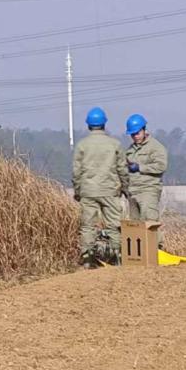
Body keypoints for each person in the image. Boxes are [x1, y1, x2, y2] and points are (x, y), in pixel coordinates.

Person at [72, 106, 129, 267]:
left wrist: (78, 191)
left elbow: (77, 172)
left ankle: (88, 259)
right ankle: (117, 257)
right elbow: (122, 169)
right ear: (104, 124)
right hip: (110, 190)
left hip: (88, 191)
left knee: (88, 226)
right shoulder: (115, 144)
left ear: (89, 125)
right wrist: (124, 187)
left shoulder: (82, 145)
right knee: (114, 226)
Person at [124, 113, 168, 248]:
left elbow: (161, 166)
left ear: (144, 130)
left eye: (137, 133)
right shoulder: (130, 150)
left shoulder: (156, 147)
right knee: (135, 226)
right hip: (133, 191)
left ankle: (157, 251)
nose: (135, 136)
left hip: (149, 190)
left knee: (149, 223)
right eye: (132, 134)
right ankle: (141, 255)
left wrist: (140, 167)